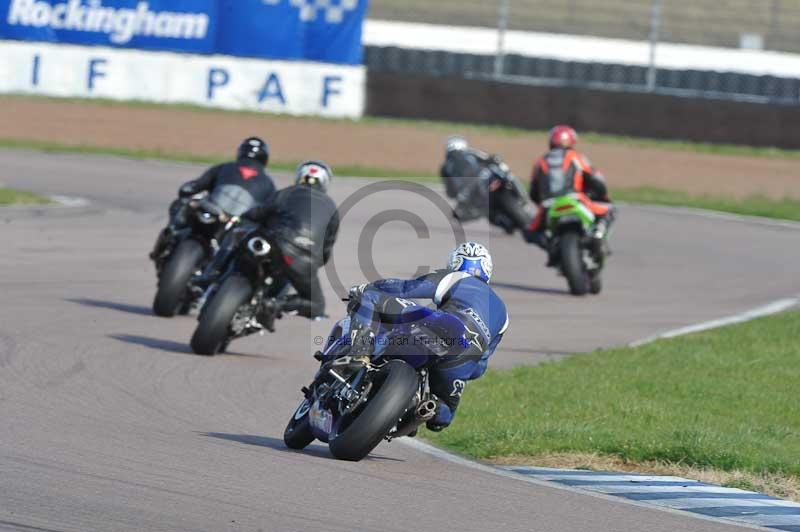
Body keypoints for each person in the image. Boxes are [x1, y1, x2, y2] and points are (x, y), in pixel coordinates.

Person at [345, 242, 508, 432]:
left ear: (455, 262)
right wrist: (456, 369)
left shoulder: (455, 277)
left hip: (443, 324)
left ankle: (359, 353)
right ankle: (422, 409)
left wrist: (367, 287)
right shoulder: (503, 313)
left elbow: (406, 288)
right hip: (466, 356)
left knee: (371, 296)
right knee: (442, 416)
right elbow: (480, 367)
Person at [241, 161, 339, 330]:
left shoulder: (288, 192)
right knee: (316, 306)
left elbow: (260, 212)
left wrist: (245, 217)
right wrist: (312, 263)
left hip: (275, 241)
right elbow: (326, 249)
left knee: (242, 240)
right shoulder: (331, 207)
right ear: (324, 182)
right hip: (305, 259)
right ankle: (275, 304)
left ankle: (217, 273)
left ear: (300, 177)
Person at [149, 137, 276, 264]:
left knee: (181, 203)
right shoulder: (269, 184)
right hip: (236, 223)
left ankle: (170, 235)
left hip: (218, 214)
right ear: (264, 158)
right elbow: (269, 213)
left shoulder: (224, 167)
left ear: (241, 152)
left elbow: (193, 187)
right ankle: (172, 234)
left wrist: (188, 192)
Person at [525, 125, 615, 262]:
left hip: (548, 205)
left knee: (529, 232)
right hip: (575, 198)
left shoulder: (540, 162)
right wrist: (602, 195)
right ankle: (598, 235)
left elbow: (533, 192)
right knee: (609, 209)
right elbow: (595, 178)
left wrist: (542, 205)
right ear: (571, 141)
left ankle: (550, 247)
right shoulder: (575, 156)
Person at [440, 136, 526, 233]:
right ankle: (519, 198)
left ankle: (506, 215)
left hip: (472, 191)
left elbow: (451, 192)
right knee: (504, 172)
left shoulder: (446, 166)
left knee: (460, 215)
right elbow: (490, 158)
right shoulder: (469, 153)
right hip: (478, 187)